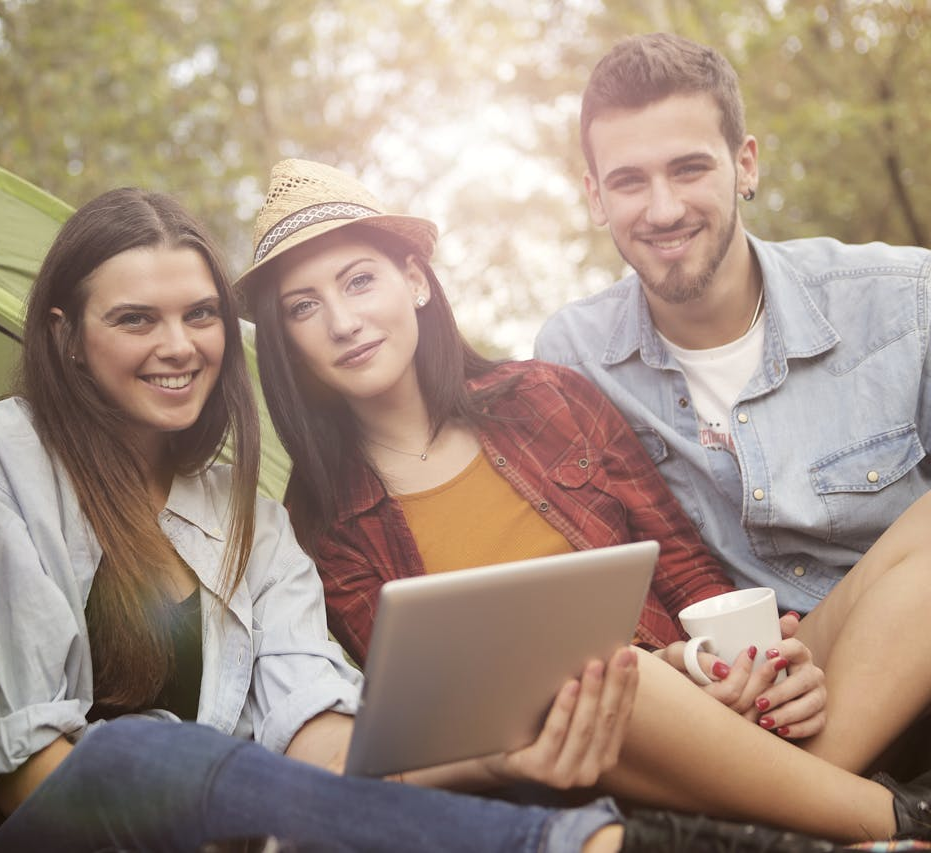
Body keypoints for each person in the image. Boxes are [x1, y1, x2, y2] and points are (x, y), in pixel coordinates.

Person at [0, 187, 832, 853]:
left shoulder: (241, 511)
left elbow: (316, 725)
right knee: (133, 759)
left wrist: (492, 760)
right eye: (136, 319)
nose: (178, 345)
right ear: (64, 336)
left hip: (267, 818)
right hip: (84, 831)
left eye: (199, 314)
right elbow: (27, 767)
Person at [237, 155, 931, 844]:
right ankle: (887, 816)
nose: (342, 321)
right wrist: (658, 679)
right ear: (286, 340)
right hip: (590, 750)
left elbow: (690, 572)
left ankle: (809, 801)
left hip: (708, 685)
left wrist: (765, 663)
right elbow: (432, 714)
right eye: (304, 306)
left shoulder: (544, 396)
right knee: (600, 667)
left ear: (415, 280)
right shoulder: (322, 520)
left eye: (360, 280)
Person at [532, 32, 931, 618]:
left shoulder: (906, 301)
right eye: (629, 181)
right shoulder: (572, 359)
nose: (663, 209)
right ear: (595, 197)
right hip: (731, 689)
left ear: (745, 165)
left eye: (689, 169)